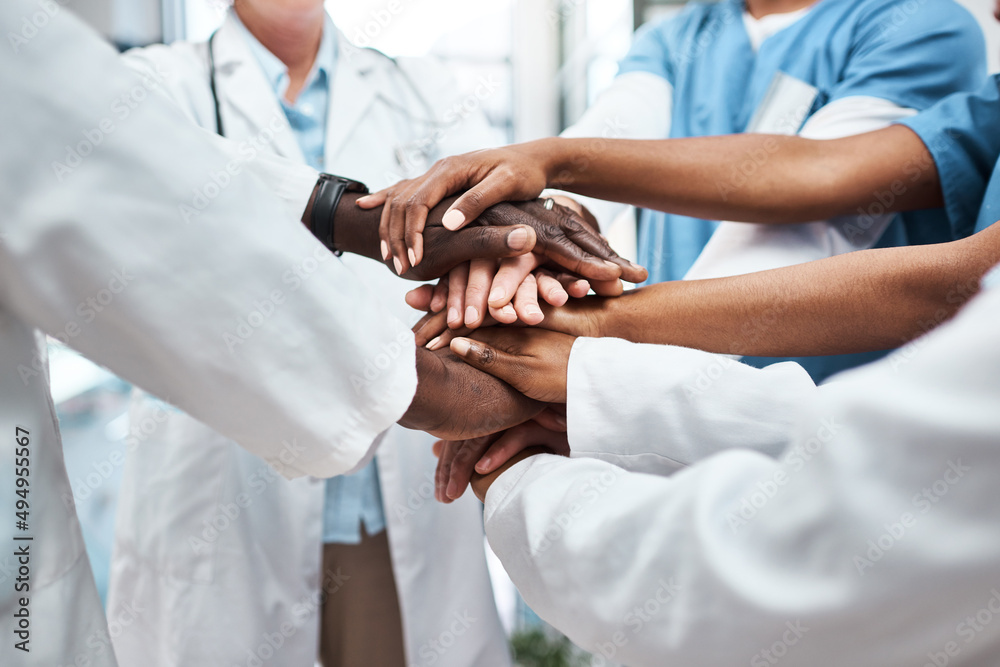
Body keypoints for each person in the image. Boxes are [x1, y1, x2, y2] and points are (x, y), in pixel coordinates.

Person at [0, 3, 635, 666]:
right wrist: (363, 223)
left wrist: (506, 261)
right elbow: (149, 188)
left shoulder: (424, 89)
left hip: (396, 512)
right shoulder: (156, 83)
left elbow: (497, 227)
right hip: (226, 513)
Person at [375, 0, 988, 383]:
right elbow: (615, 133)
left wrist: (589, 340)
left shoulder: (918, 22)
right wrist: (528, 240)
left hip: (815, 408)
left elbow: (806, 192)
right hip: (635, 381)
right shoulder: (681, 35)